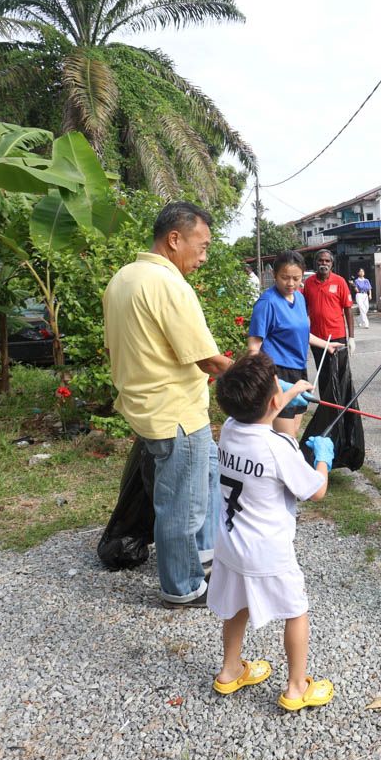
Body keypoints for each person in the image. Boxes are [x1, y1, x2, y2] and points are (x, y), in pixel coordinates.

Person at [103, 201, 229, 608]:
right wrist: (261, 379)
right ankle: (182, 587)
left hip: (146, 409)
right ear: (174, 239)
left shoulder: (122, 278)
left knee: (208, 475)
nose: (204, 257)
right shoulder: (168, 284)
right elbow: (207, 359)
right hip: (176, 414)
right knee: (182, 506)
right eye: (202, 245)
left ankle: (205, 557)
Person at [208, 352, 336, 711]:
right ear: (274, 402)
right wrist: (323, 458)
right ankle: (297, 688)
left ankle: (230, 670)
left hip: (231, 543)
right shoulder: (278, 447)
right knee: (295, 610)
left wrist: (291, 389)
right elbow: (317, 490)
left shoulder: (230, 428)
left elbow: (260, 417)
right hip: (268, 551)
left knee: (237, 606)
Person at [248, 251, 343, 437]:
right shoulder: (267, 303)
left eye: (296, 278)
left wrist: (326, 345)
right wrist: (266, 381)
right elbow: (253, 348)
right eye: (285, 278)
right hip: (277, 374)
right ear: (274, 275)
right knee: (284, 439)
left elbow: (301, 332)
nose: (290, 283)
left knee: (294, 431)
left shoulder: (299, 298)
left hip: (299, 371)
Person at [301, 250, 355, 368]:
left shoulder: (340, 281)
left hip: (337, 335)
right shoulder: (309, 282)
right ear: (316, 262)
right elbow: (304, 307)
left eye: (327, 261)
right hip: (317, 336)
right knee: (322, 372)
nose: (324, 263)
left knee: (340, 372)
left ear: (332, 263)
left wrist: (351, 337)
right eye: (320, 260)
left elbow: (348, 309)